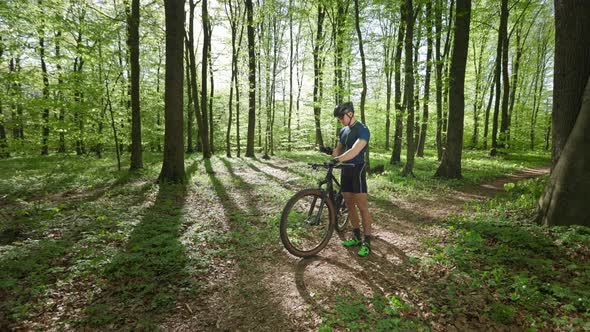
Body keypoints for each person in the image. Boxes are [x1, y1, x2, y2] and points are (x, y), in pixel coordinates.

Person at [320, 101, 373, 257]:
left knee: (362, 206)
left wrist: (338, 160)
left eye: (341, 117)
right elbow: (339, 150)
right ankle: (356, 236)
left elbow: (355, 150)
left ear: (350, 114)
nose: (340, 121)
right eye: (339, 118)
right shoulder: (343, 131)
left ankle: (367, 241)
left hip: (357, 170)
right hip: (345, 171)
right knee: (349, 205)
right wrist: (330, 154)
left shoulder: (363, 130)